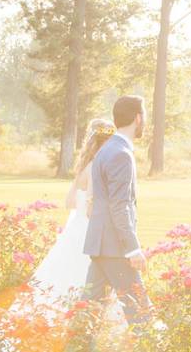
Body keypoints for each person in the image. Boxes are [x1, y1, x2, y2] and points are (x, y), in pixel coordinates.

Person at [26, 118, 115, 304]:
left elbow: (69, 202)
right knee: (86, 276)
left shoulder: (84, 166)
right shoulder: (97, 168)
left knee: (63, 271)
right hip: (89, 231)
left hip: (75, 229)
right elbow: (92, 207)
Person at [83, 95, 151, 323]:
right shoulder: (121, 154)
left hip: (101, 246)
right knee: (141, 314)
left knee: (88, 314)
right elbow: (119, 205)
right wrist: (132, 249)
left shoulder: (106, 149)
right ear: (138, 118)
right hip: (115, 248)